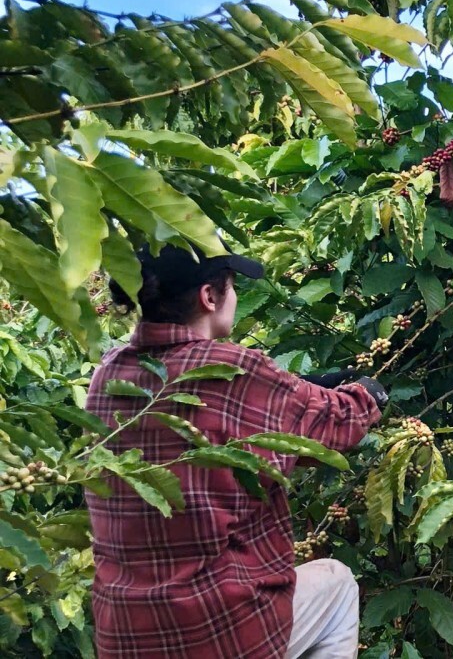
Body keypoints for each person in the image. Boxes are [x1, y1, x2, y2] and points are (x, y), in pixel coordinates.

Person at [86, 243, 389, 659]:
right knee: (337, 584)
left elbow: (220, 421)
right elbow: (338, 425)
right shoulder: (234, 370)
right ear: (209, 297)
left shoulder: (109, 373)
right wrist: (367, 391)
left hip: (124, 636)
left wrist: (305, 385)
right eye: (231, 287)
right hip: (216, 633)